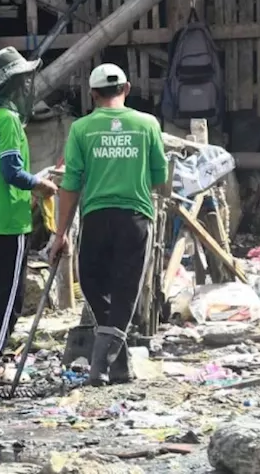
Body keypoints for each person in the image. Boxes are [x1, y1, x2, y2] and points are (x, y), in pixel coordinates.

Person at [50, 64, 168, 385]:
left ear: (93, 95)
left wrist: (60, 234)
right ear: (127, 89)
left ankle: (102, 365)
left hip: (97, 218)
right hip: (135, 218)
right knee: (125, 289)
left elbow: (71, 183)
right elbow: (161, 177)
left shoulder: (82, 129)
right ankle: (113, 364)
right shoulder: (147, 124)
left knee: (92, 283)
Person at [0, 47, 59, 383]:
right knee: (10, 296)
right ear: (12, 85)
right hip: (10, 218)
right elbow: (11, 171)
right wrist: (41, 184)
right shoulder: (7, 121)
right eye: (22, 82)